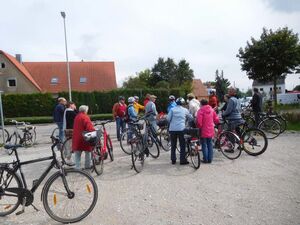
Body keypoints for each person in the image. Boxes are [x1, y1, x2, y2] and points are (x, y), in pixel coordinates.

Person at [167, 97, 192, 165]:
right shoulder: (185, 110)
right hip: (181, 129)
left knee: (173, 145)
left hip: (172, 129)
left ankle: (173, 160)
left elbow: (168, 119)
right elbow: (190, 118)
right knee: (182, 145)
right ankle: (182, 160)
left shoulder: (172, 109)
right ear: (183, 103)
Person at [196, 99, 220, 163]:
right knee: (210, 144)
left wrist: (198, 127)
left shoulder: (200, 110)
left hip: (203, 129)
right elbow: (216, 119)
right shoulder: (211, 110)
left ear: (201, 104)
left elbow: (199, 122)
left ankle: (205, 159)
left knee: (204, 144)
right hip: (211, 129)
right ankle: (210, 159)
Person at [72, 105, 95, 170]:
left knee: (77, 153)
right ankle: (87, 166)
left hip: (76, 137)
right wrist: (93, 131)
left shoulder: (77, 116)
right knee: (88, 151)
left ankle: (77, 167)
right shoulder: (85, 117)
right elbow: (89, 128)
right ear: (85, 111)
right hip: (84, 137)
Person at [62, 101, 78, 165]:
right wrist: (75, 109)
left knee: (68, 145)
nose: (75, 106)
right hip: (70, 130)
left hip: (68, 129)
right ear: (71, 105)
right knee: (70, 145)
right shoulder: (70, 111)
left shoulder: (67, 111)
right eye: (74, 105)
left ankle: (67, 157)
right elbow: (78, 116)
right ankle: (68, 159)